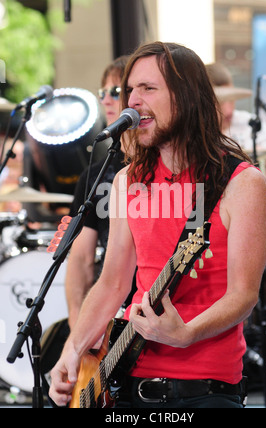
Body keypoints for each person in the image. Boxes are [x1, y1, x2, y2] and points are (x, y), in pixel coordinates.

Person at [49, 42, 266, 409]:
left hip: (205, 388)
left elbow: (243, 294)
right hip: (127, 377)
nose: (133, 100)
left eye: (148, 89)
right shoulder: (127, 180)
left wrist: (186, 334)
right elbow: (113, 281)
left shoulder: (241, 182)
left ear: (186, 97)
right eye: (130, 90)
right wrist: (72, 350)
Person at [65, 56, 129, 330]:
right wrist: (77, 327)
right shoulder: (94, 175)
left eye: (115, 92)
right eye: (102, 93)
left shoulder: (171, 173)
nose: (105, 101)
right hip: (111, 317)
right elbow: (80, 259)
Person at [206, 62, 266, 185]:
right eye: (220, 103)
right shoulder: (193, 134)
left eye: (232, 100)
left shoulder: (252, 124)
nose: (228, 110)